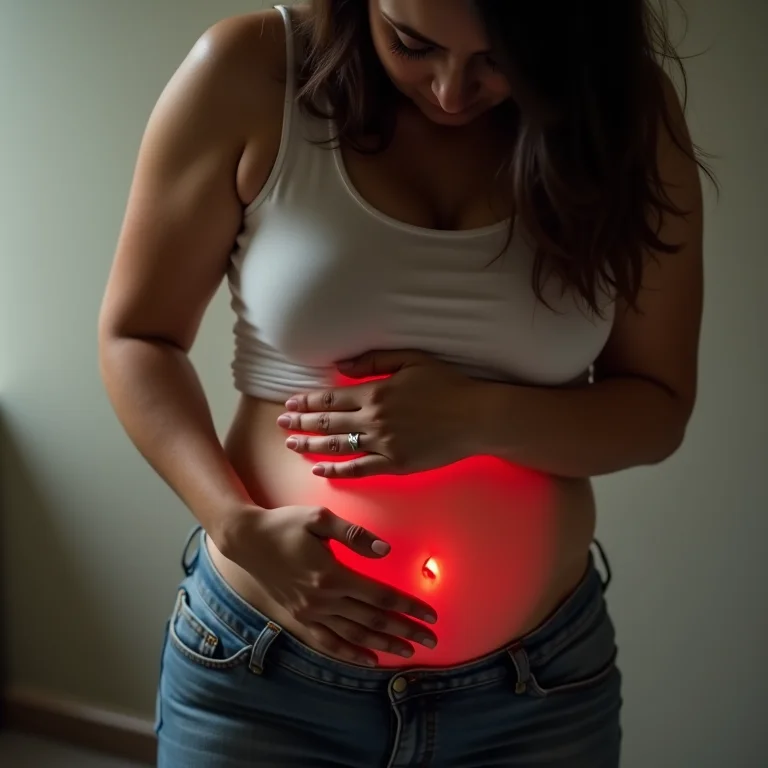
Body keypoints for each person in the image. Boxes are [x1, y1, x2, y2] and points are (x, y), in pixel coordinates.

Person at [98, 1, 708, 765]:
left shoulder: (627, 114)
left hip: (533, 697)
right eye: (412, 44)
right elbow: (137, 338)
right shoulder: (251, 73)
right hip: (265, 674)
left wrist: (478, 416)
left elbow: (658, 408)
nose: (451, 90)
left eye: (497, 59)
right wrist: (233, 524)